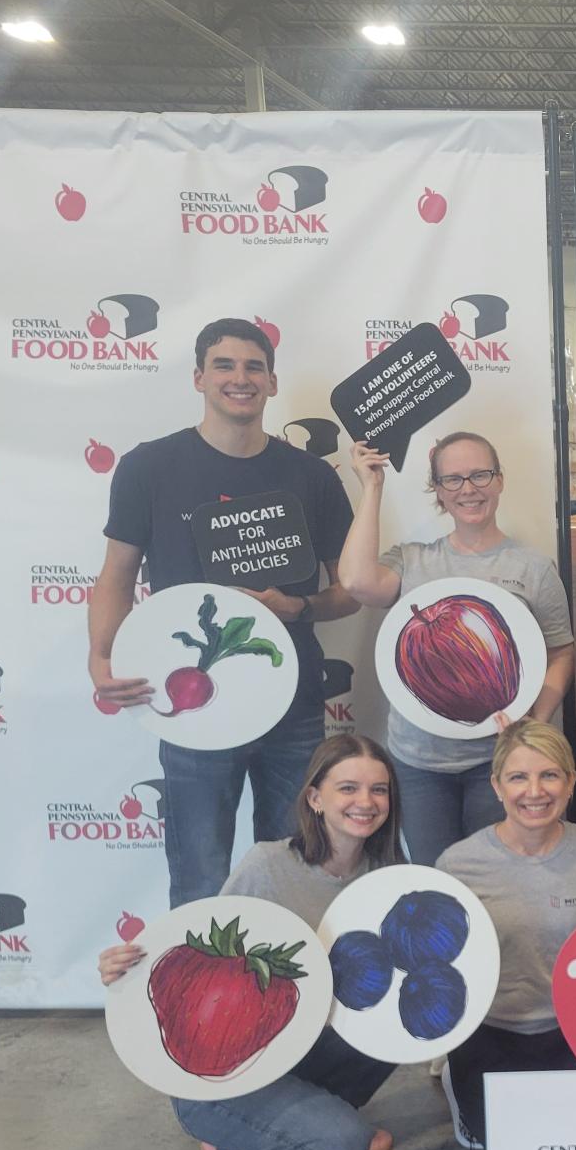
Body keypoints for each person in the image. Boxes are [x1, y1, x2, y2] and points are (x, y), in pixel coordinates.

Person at [89, 318, 358, 905]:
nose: (241, 378)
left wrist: (299, 606)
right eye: (225, 366)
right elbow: (116, 575)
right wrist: (100, 657)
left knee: (298, 866)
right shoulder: (148, 467)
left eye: (253, 367)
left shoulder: (311, 476)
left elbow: (350, 591)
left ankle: (295, 993)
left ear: (271, 381)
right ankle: (197, 992)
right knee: (199, 870)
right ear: (198, 378)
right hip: (188, 705)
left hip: (292, 702)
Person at [95, 733, 405, 1150]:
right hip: (224, 1068)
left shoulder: (388, 874)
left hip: (294, 1044)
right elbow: (199, 954)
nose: (365, 801)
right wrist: (126, 970)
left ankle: (313, 1118)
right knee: (343, 1148)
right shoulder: (268, 864)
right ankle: (232, 1144)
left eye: (378, 790)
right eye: (348, 788)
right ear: (315, 798)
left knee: (397, 1019)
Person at [337, 431, 575, 865]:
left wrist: (533, 722)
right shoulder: (412, 560)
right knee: (438, 879)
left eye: (480, 475)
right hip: (419, 763)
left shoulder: (533, 568)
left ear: (499, 480)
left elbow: (560, 652)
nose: (469, 489)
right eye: (453, 480)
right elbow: (355, 582)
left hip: (503, 761)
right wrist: (372, 487)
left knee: (500, 881)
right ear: (438, 491)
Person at [435, 719, 576, 1149]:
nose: (535, 791)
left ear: (571, 782)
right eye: (518, 777)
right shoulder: (456, 864)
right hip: (491, 1032)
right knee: (501, 1147)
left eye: (550, 775)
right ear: (497, 786)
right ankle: (456, 1078)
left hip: (571, 1031)